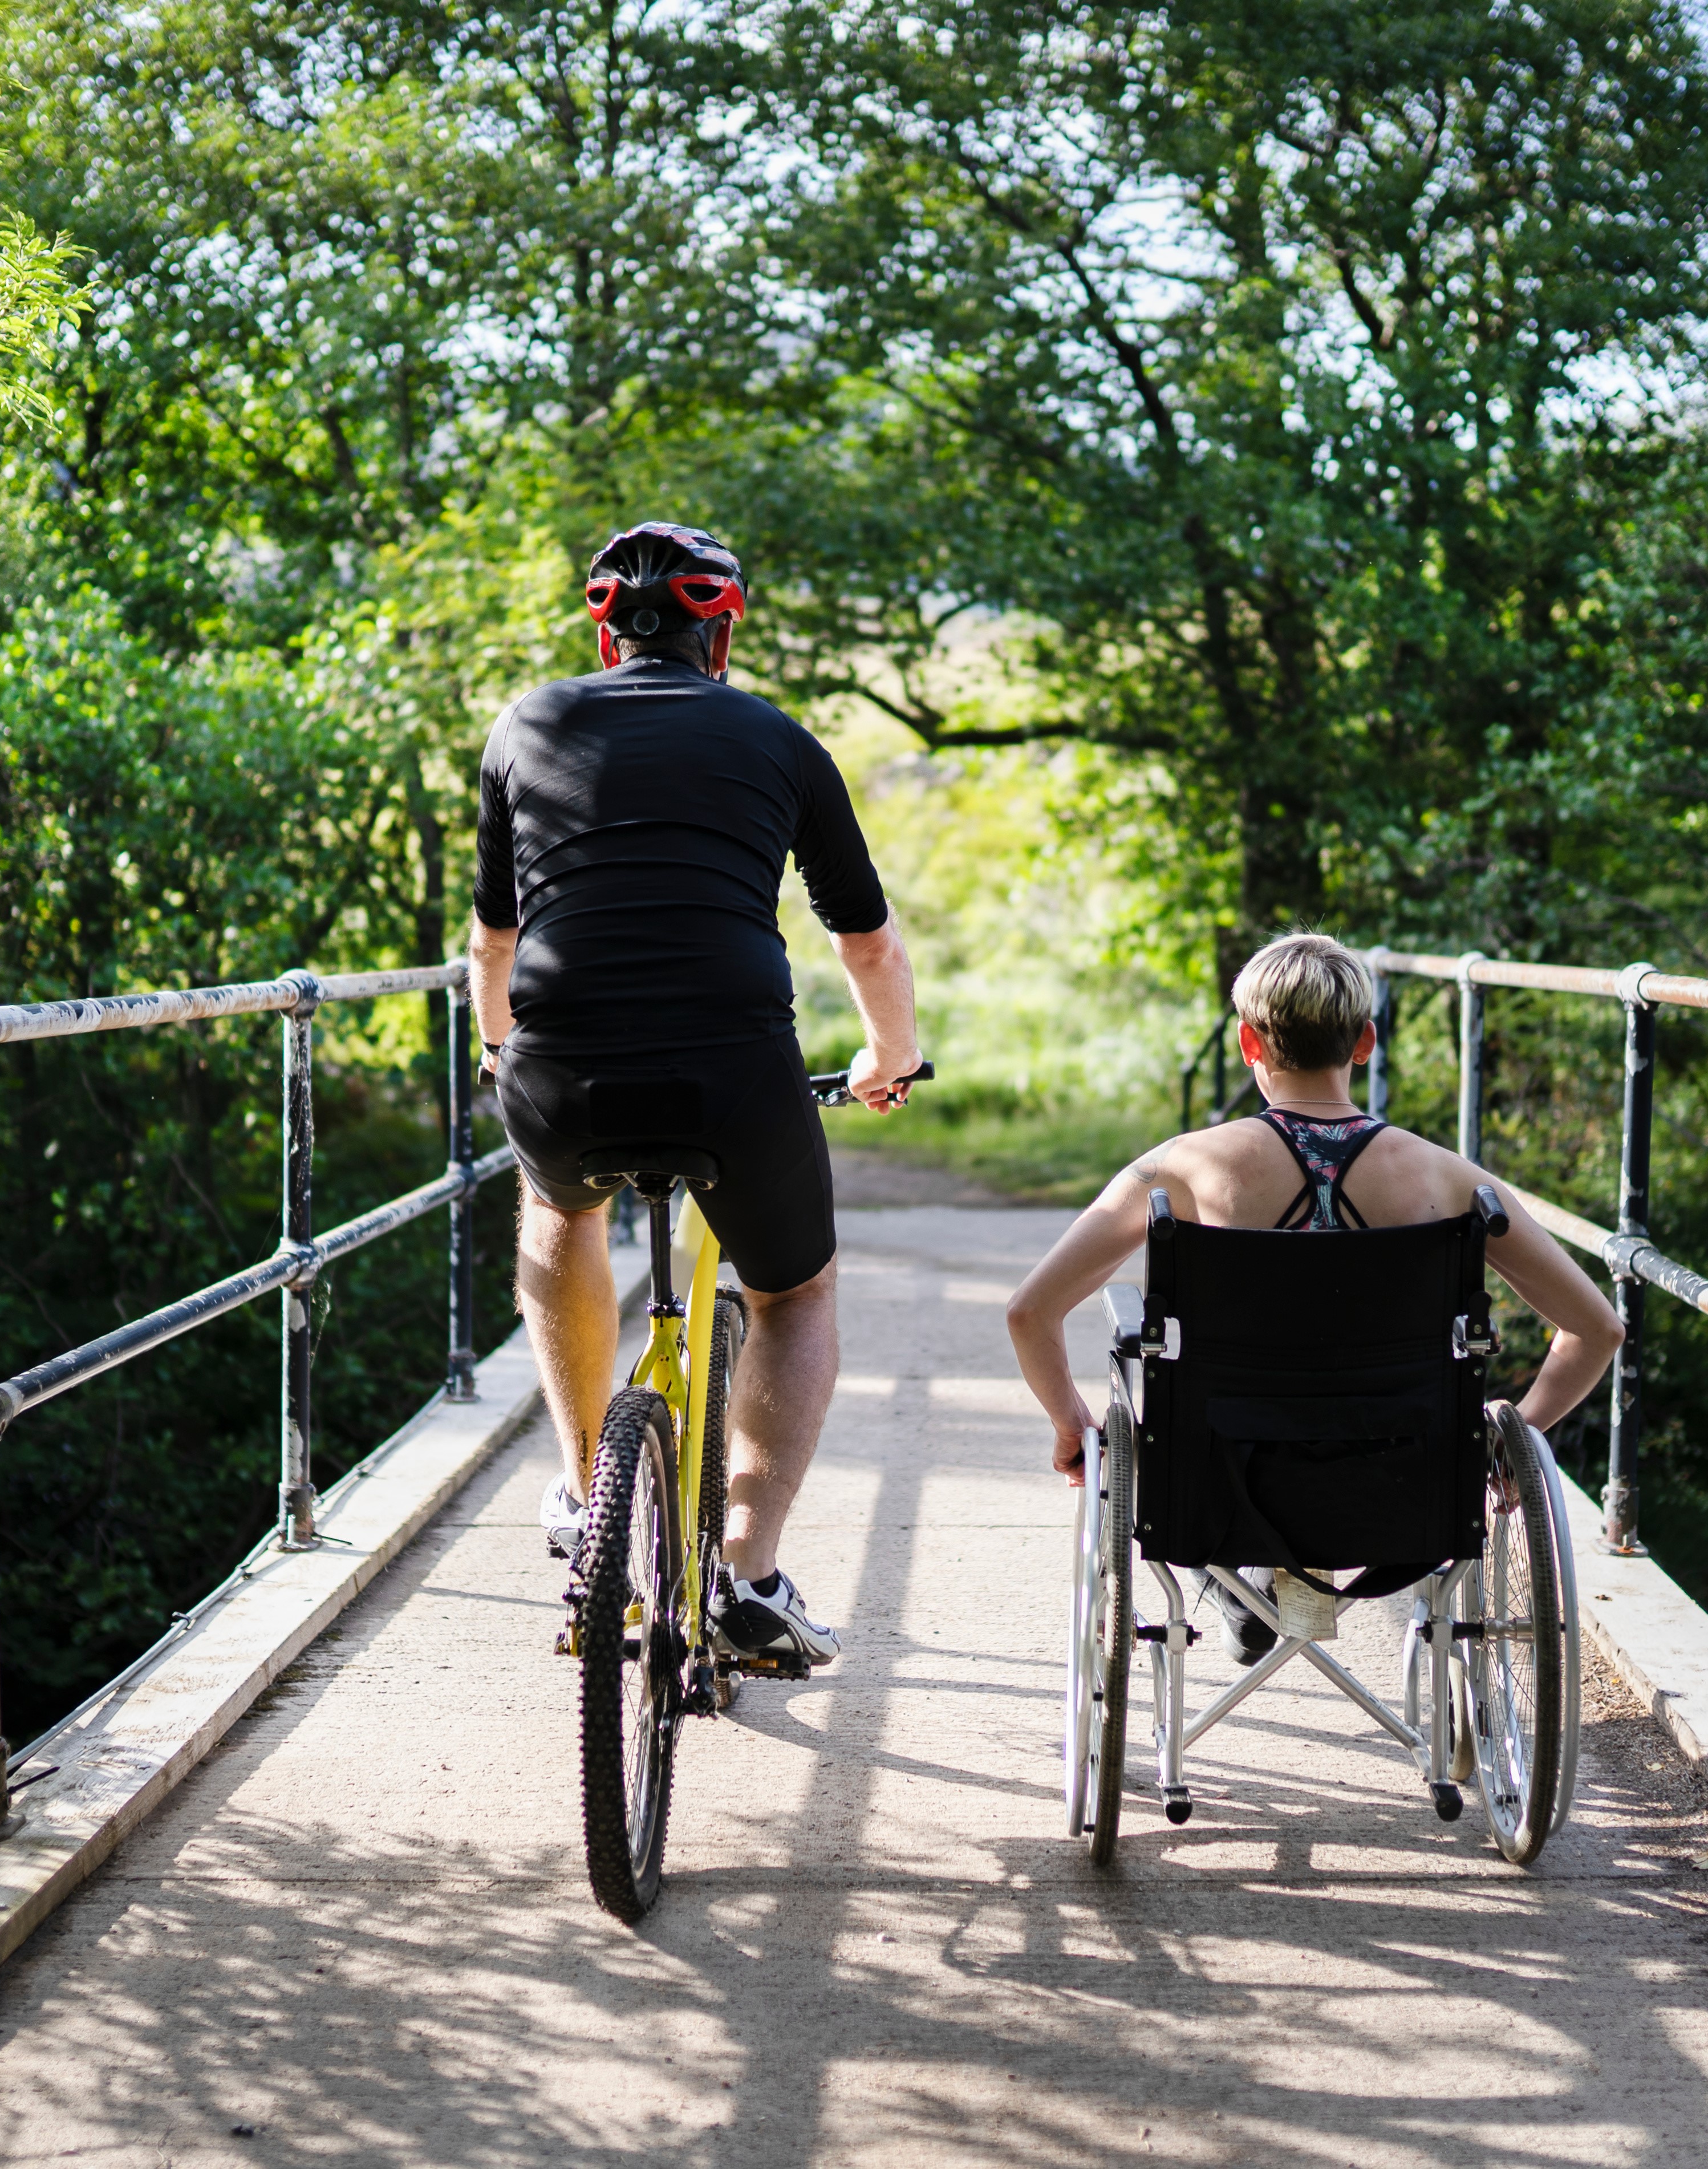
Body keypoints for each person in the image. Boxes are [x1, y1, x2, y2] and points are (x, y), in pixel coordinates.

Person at [469, 521, 922, 1671]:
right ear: (719, 629)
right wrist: (888, 1059)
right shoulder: (775, 737)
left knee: (559, 1208)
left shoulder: (528, 725)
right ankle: (747, 1571)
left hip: (563, 1059)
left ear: (606, 626)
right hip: (733, 1062)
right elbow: (864, 943)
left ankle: (586, 1501)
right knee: (796, 1290)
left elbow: (494, 938)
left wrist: (497, 1053)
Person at [1001, 933, 1623, 1648]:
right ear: (1364, 1041)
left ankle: (1248, 1583)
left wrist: (1071, 1425)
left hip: (1220, 1489)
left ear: (1247, 1043)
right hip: (1404, 1493)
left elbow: (1030, 1311)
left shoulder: (1181, 1168)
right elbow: (1597, 1328)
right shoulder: (1451, 1181)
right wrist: (1515, 1436)